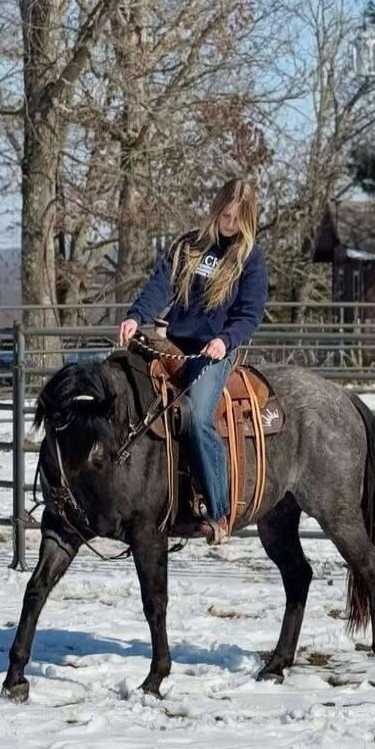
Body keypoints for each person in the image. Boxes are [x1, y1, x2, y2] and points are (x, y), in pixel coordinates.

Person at [118, 179, 268, 544]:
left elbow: (250, 314)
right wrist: (137, 316)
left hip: (213, 351)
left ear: (247, 220)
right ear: (216, 210)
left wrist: (224, 340)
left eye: (236, 218)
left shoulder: (250, 259)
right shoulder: (189, 246)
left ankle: (219, 510)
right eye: (224, 215)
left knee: (199, 417)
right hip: (172, 343)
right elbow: (160, 285)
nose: (229, 224)